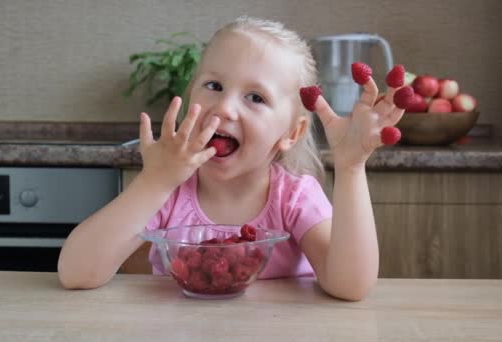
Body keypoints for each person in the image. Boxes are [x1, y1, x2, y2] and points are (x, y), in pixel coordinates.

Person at [57, 16, 407, 301]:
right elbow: (75, 273)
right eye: (214, 86)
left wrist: (350, 167)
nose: (224, 107)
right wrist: (154, 182)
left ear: (292, 133)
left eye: (255, 97)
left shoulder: (294, 199)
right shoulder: (167, 190)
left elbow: (350, 286)